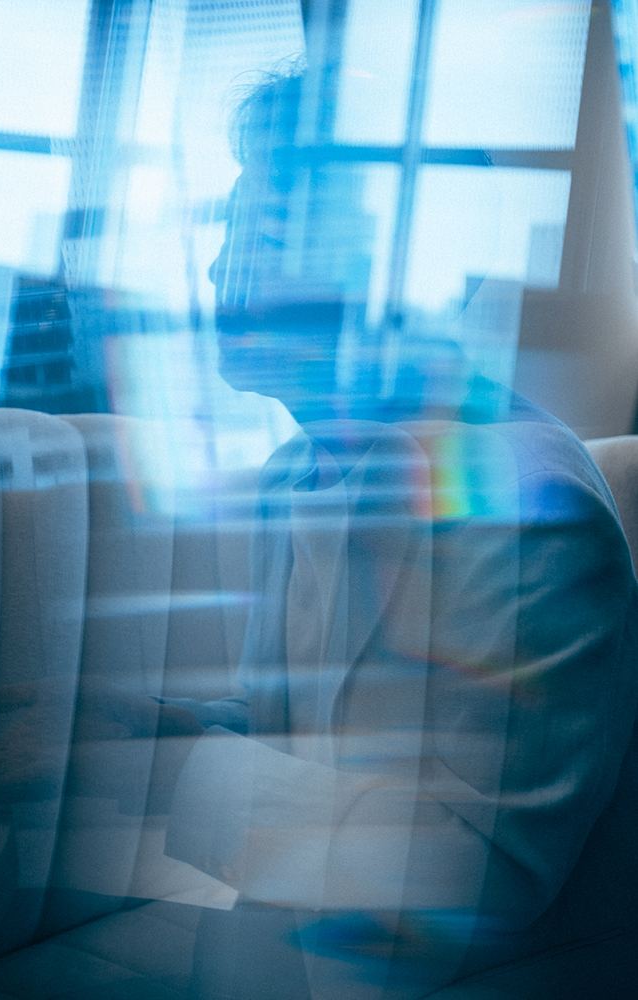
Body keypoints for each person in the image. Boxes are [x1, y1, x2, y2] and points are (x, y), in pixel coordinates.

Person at [153, 68, 638, 999]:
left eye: (260, 236)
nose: (218, 271)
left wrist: (162, 777)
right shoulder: (292, 475)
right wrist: (178, 727)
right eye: (229, 229)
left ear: (394, 282)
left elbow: (481, 869)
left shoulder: (526, 502)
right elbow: (320, 739)